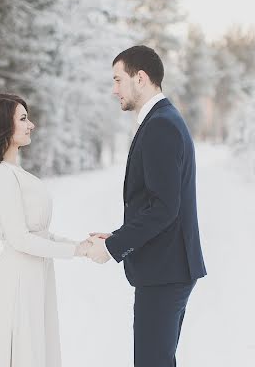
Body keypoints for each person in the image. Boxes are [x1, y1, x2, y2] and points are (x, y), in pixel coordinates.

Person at [87, 45, 207, 366]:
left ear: (140, 78)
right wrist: (116, 236)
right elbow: (157, 203)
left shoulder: (160, 125)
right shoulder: (162, 119)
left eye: (117, 80)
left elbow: (164, 207)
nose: (114, 90)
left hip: (166, 269)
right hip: (168, 267)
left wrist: (114, 248)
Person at [0, 93, 92, 367]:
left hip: (31, 275)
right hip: (16, 282)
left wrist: (82, 246)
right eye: (23, 118)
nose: (32, 125)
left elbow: (37, 233)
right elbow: (20, 238)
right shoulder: (4, 175)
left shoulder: (11, 172)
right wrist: (75, 251)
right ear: (2, 126)